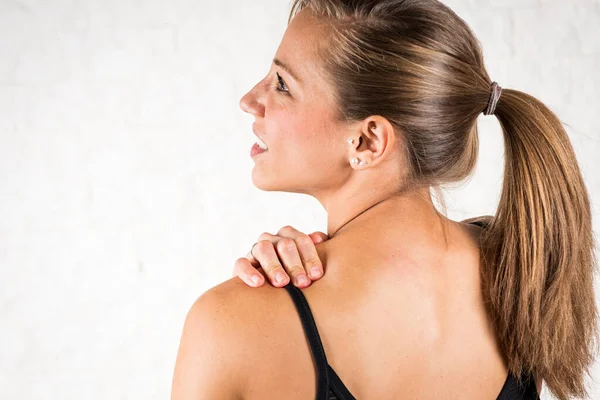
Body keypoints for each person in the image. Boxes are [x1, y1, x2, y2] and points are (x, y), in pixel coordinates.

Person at [171, 1, 598, 399]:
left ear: (368, 139)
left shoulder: (230, 326)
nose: (250, 100)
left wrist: (257, 302)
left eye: (282, 84)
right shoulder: (519, 267)